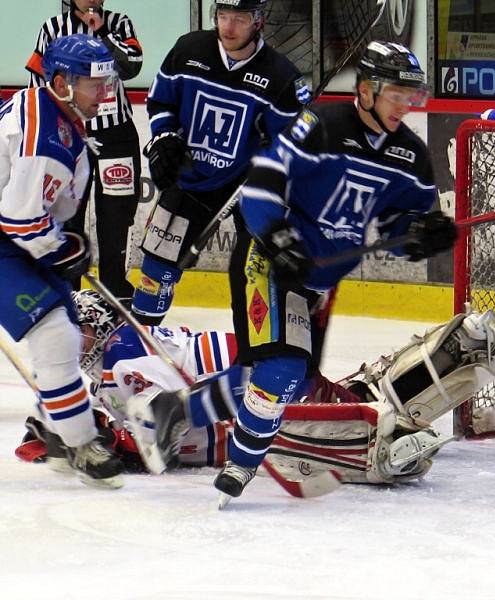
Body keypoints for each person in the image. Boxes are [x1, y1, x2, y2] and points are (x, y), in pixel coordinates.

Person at [130, 40, 457, 506]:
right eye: (396, 93)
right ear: (366, 89)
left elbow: (398, 229)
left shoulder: (411, 156)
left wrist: (424, 235)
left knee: (283, 378)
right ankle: (240, 467)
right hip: (267, 259)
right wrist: (279, 238)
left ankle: (173, 410)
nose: (406, 104)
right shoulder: (319, 126)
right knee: (281, 370)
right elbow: (261, 187)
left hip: (319, 281)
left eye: (412, 95)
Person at [16, 291, 495, 487]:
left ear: (99, 325)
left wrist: (112, 441)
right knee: (356, 393)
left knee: (339, 427)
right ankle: (455, 350)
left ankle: (394, 432)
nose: (66, 341)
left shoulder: (121, 360)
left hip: (251, 386)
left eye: (75, 329)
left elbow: (164, 421)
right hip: (261, 371)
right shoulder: (116, 363)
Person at [131, 0, 309, 326]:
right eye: (223, 16)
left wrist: (272, 165)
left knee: (253, 271)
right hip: (190, 173)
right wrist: (165, 137)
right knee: (158, 263)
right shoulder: (189, 49)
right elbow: (161, 101)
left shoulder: (280, 76)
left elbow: (293, 146)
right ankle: (137, 343)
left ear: (258, 21)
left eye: (238, 19)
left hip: (245, 187)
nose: (227, 27)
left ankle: (250, 354)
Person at [0, 34, 124, 488]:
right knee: (53, 335)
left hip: (14, 238)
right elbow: (19, 220)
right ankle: (77, 442)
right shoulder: (46, 139)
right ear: (61, 83)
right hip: (9, 239)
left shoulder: (51, 110)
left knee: (65, 335)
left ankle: (51, 424)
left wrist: (60, 241)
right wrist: (62, 248)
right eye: (95, 84)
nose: (105, 93)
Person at [26, 0, 144, 298]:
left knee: (116, 219)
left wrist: (102, 31)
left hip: (116, 134)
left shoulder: (120, 23)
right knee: (68, 217)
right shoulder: (53, 28)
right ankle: (68, 292)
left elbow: (132, 66)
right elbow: (39, 83)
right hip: (70, 134)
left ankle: (115, 293)